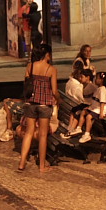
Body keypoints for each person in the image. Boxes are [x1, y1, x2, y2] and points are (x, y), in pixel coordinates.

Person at [17, 44, 60, 173]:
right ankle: (41, 166)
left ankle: (22, 163)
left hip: (31, 103)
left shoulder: (30, 66)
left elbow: (26, 84)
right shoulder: (51, 69)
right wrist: (59, 100)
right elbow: (54, 91)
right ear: (47, 54)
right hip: (44, 105)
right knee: (42, 135)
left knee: (29, 133)